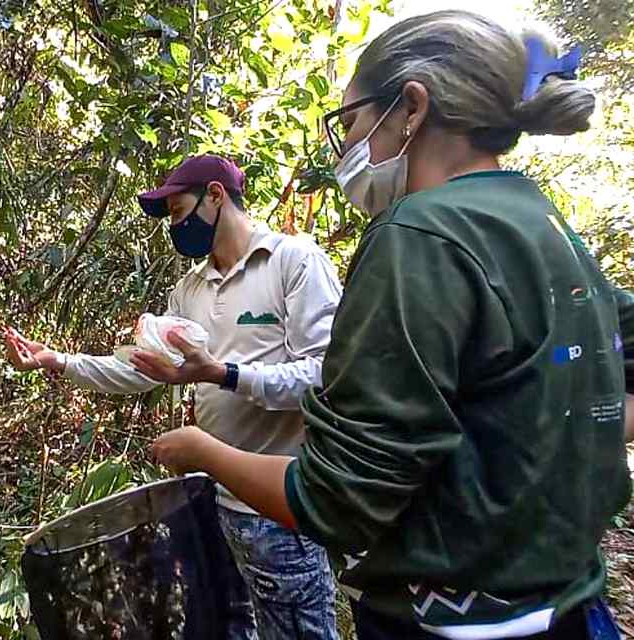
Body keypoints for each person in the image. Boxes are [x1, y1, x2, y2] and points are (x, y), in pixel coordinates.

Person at [151, 11, 633, 640]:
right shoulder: (543, 222)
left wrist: (204, 454)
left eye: (350, 122)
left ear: (411, 107)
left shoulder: (417, 234)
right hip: (568, 602)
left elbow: (338, 499)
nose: (347, 147)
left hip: (449, 621)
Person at [5, 154, 343, 640]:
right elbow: (141, 369)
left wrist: (224, 374)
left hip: (282, 505)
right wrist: (58, 361)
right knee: (234, 627)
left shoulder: (292, 261)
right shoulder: (190, 290)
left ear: (216, 196)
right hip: (214, 500)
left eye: (180, 211)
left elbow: (322, 377)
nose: (175, 227)